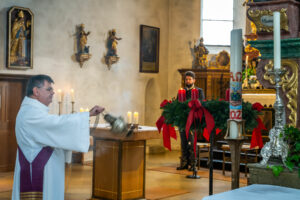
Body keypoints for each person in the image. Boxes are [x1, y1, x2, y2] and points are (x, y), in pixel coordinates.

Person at [11, 74, 105, 200]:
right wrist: (87, 114)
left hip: (41, 165)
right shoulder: (30, 113)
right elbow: (57, 124)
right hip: (37, 168)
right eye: (49, 89)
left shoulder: (33, 110)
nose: (53, 92)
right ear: (36, 91)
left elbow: (55, 126)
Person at [177, 71, 205, 170]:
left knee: (192, 142)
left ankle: (193, 164)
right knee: (183, 142)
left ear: (194, 80)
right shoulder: (182, 91)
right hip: (183, 120)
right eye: (186, 79)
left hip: (193, 121)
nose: (188, 81)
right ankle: (184, 163)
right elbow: (178, 104)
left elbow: (201, 103)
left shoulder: (199, 91)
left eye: (190, 79)